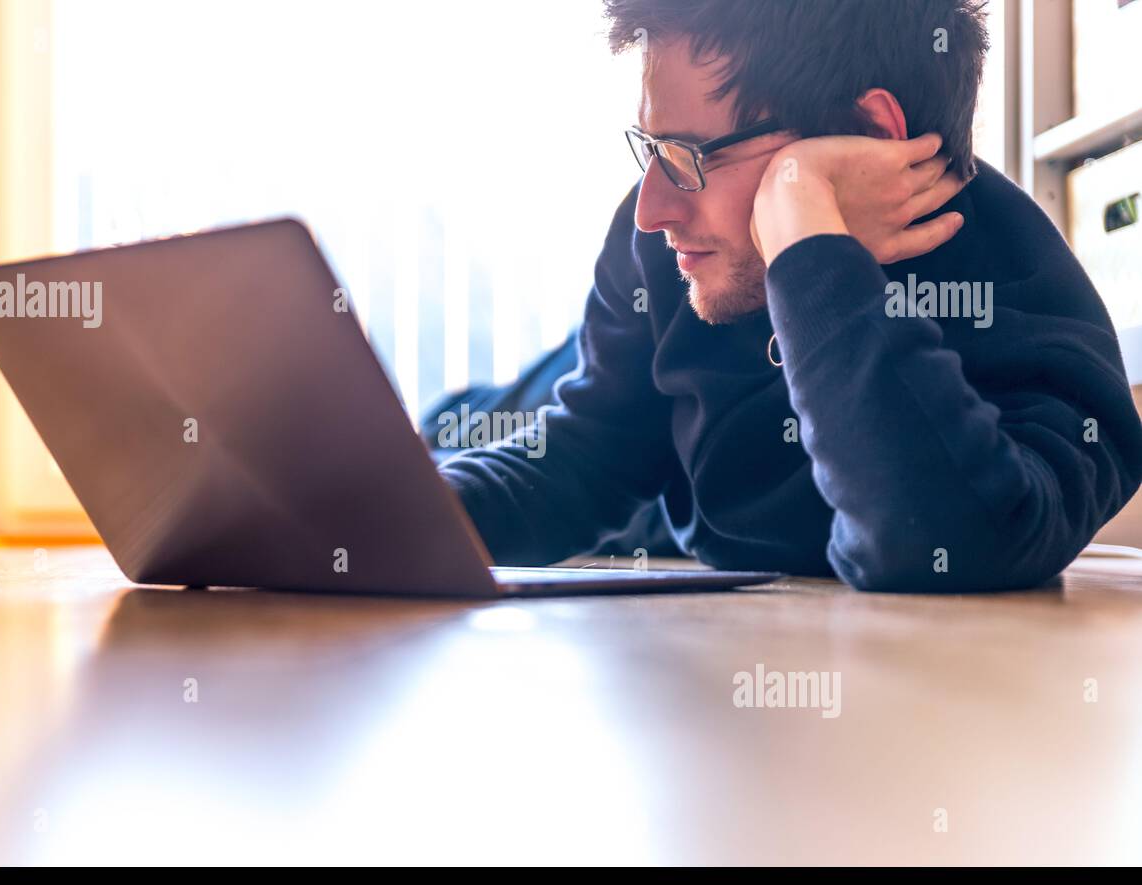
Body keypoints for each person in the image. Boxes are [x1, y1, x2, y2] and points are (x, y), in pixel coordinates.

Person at [431, 0, 1142, 592]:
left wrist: (808, 241)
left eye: (690, 156)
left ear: (867, 136)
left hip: (686, 511)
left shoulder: (1032, 312)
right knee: (463, 424)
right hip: (648, 488)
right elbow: (592, 451)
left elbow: (948, 544)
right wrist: (397, 518)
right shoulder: (664, 241)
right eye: (653, 150)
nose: (652, 210)